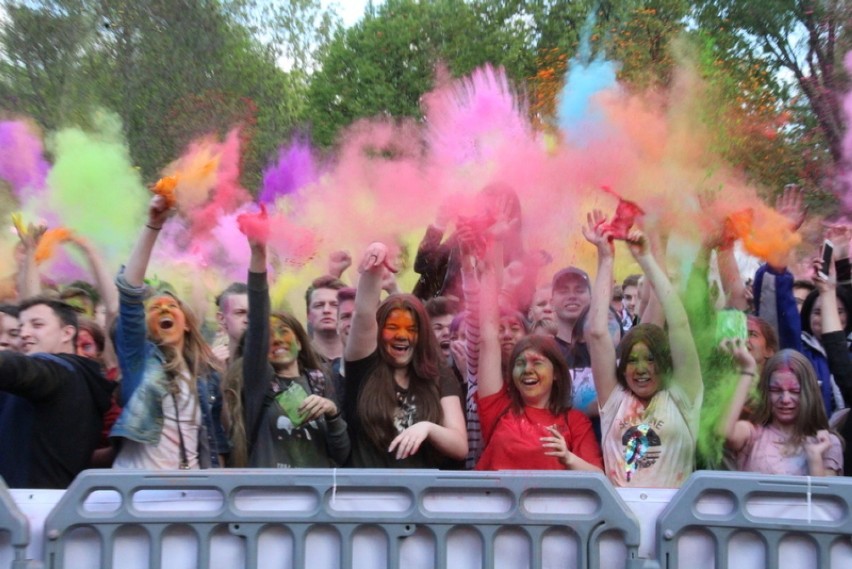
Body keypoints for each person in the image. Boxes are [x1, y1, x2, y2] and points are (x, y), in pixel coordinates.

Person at [585, 211, 702, 487]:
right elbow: (598, 333)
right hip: (621, 522)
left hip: (671, 523)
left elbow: (680, 325)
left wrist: (646, 260)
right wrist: (606, 258)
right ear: (622, 368)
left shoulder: (683, 398)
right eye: (632, 361)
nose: (641, 369)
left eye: (650, 359)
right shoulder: (615, 402)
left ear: (665, 362)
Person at [110, 196, 227, 470]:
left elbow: (215, 444)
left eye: (171, 306)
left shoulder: (205, 378)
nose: (164, 310)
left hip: (191, 495)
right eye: (155, 308)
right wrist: (153, 225)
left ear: (186, 322)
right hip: (139, 498)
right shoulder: (140, 362)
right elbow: (129, 294)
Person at [474, 233, 602, 471]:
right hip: (497, 506)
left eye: (537, 362)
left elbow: (599, 477)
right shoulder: (498, 408)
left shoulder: (574, 421)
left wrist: (568, 458)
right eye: (520, 363)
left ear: (556, 372)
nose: (527, 369)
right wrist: (492, 254)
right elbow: (488, 337)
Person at [230, 226, 349, 468]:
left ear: (299, 340)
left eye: (285, 331)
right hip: (272, 499)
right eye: (269, 336)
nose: (278, 339)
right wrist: (258, 255)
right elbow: (259, 308)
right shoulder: (258, 384)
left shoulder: (319, 381)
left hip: (318, 500)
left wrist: (333, 413)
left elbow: (343, 455)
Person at [343, 242, 467, 467]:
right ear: (379, 332)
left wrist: (428, 428)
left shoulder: (439, 374)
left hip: (420, 497)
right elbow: (363, 313)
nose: (402, 336)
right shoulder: (363, 368)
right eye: (393, 328)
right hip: (368, 496)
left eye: (411, 329)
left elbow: (459, 445)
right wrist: (376, 260)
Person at [0, 297, 114, 488]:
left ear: (67, 333)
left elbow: (18, 368)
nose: (24, 334)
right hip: (54, 503)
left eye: (37, 325)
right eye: (20, 329)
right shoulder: (78, 375)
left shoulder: (59, 371)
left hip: (30, 506)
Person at [720, 343, 842, 476]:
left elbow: (824, 497)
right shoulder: (753, 434)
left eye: (794, 391)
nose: (785, 399)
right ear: (766, 392)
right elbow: (724, 433)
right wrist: (747, 370)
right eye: (776, 390)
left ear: (808, 393)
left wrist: (815, 457)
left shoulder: (827, 443)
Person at [304, 275, 345, 363]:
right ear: (308, 314)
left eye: (335, 305)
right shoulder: (299, 361)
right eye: (319, 305)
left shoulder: (361, 359)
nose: (326, 310)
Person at [213, 282, 248, 365]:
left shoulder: (274, 359)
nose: (248, 320)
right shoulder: (212, 364)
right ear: (221, 318)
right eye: (240, 313)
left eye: (254, 313)